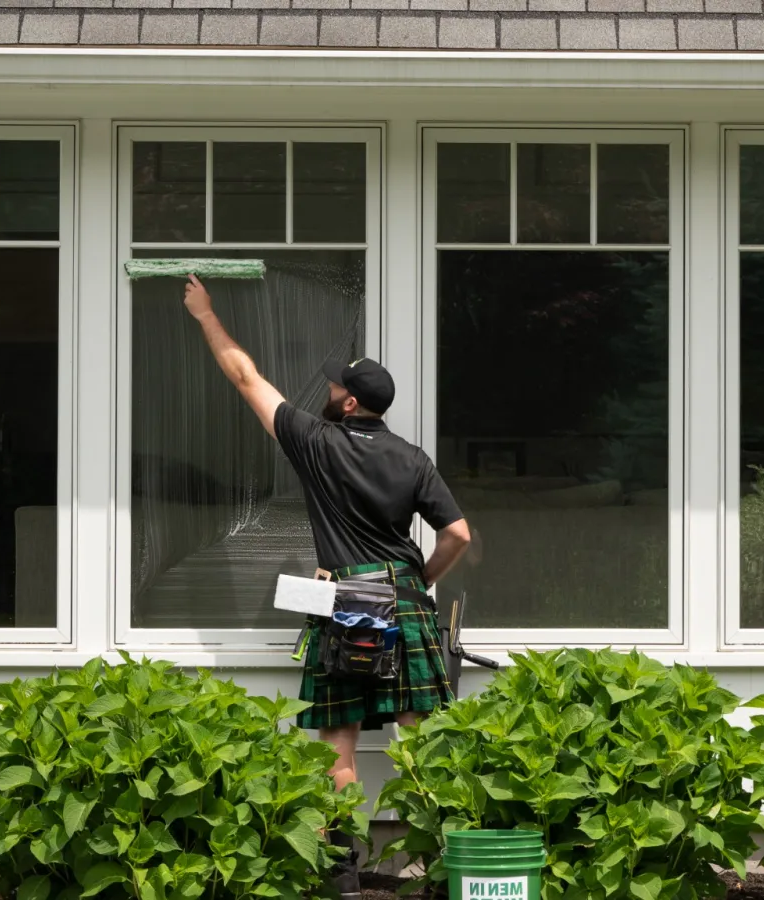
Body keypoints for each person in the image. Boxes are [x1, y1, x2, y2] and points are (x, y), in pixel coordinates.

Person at [181, 274, 471, 899]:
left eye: (336, 383)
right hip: (404, 599)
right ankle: (442, 873)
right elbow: (459, 535)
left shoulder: (317, 443)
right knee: (419, 738)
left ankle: (342, 874)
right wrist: (420, 579)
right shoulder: (414, 458)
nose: (329, 386)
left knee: (338, 745)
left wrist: (206, 315)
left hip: (346, 601)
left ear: (345, 403)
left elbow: (245, 378)